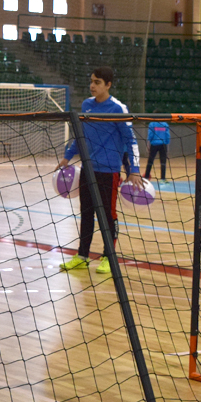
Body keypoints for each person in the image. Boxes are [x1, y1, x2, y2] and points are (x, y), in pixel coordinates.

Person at [56, 66, 143, 275]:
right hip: (87, 169)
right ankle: (82, 257)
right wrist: (68, 157)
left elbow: (130, 140)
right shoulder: (87, 105)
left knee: (108, 216)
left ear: (108, 85)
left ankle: (108, 258)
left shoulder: (118, 109)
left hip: (109, 172)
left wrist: (135, 169)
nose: (92, 85)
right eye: (91, 81)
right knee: (86, 214)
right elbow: (81, 136)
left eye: (97, 82)